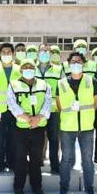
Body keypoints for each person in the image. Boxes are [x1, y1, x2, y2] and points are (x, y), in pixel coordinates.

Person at [56, 52, 97, 194]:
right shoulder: (61, 83)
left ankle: (89, 191)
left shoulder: (91, 81)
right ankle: (63, 190)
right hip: (67, 127)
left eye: (79, 61)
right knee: (66, 159)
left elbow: (95, 103)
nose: (76, 64)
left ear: (83, 64)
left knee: (87, 160)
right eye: (73, 61)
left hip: (86, 127)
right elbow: (59, 105)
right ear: (68, 64)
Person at [8, 59, 51, 194]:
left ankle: (36, 186)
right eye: (25, 67)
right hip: (21, 128)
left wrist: (38, 118)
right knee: (20, 158)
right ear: (20, 70)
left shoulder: (44, 84)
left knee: (36, 159)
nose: (28, 69)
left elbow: (48, 102)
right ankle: (18, 187)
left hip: (38, 127)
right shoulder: (14, 85)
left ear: (35, 69)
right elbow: (11, 103)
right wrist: (25, 118)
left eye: (31, 67)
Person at [0, 42, 21, 173]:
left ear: (13, 54)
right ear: (0, 54)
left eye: (9, 53)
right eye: (3, 53)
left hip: (15, 110)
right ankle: (0, 163)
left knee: (13, 137)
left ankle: (11, 162)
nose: (6, 55)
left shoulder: (19, 69)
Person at [36, 43, 63, 174]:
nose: (44, 53)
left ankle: (54, 165)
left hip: (53, 110)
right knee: (38, 138)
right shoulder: (31, 68)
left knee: (54, 138)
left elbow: (64, 90)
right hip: (37, 111)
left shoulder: (58, 69)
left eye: (47, 51)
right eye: (42, 51)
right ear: (38, 53)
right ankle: (37, 161)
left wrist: (60, 107)